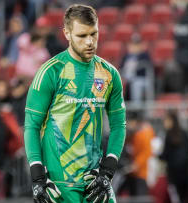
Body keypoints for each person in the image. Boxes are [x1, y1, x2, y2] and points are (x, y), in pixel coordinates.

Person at [24, 4, 126, 203]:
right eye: (82, 36)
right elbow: (31, 125)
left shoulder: (109, 74)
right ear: (67, 34)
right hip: (58, 187)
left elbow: (118, 125)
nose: (90, 42)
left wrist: (107, 171)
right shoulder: (50, 72)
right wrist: (37, 177)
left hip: (95, 184)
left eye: (94, 34)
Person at [159, 111, 188, 203]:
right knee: (185, 196)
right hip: (186, 170)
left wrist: (157, 155)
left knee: (176, 197)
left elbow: (165, 154)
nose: (164, 123)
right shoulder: (184, 133)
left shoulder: (169, 135)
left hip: (173, 172)